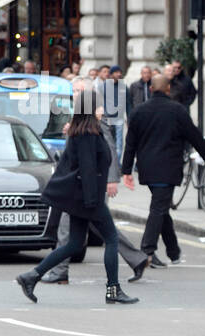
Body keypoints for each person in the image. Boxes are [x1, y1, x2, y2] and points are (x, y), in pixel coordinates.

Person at [16, 104, 138, 305]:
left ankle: (31, 276)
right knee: (111, 238)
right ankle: (113, 290)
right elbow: (88, 169)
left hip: (81, 198)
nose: (102, 110)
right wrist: (92, 202)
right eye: (98, 107)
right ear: (90, 111)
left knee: (74, 243)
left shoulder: (85, 132)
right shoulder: (87, 135)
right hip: (88, 199)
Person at [122, 72, 205, 267]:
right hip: (168, 168)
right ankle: (146, 252)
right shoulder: (177, 110)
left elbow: (130, 143)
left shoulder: (138, 111)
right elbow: (194, 135)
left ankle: (173, 252)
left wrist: (126, 170)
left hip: (147, 168)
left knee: (161, 208)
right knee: (159, 208)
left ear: (151, 89)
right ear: (169, 89)